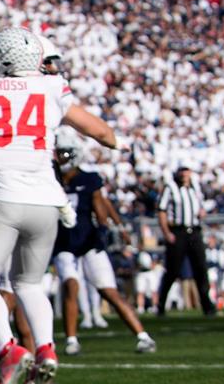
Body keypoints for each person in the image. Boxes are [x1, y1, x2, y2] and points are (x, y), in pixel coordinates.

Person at [0, 26, 119, 384]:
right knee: (29, 285)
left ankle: (8, 350)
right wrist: (114, 141)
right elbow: (102, 132)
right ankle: (47, 351)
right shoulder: (53, 89)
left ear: (7, 59)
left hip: (3, 197)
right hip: (47, 201)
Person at [51, 132, 156, 356]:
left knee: (109, 292)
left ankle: (142, 335)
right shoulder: (49, 179)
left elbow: (101, 207)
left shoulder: (89, 180)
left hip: (89, 242)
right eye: (59, 153)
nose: (61, 157)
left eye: (65, 153)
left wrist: (111, 227)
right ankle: (71, 339)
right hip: (63, 243)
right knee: (71, 286)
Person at [155, 166, 215, 316]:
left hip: (194, 231)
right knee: (173, 270)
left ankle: (207, 306)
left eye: (186, 170)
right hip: (177, 231)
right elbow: (161, 210)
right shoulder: (170, 187)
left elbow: (201, 206)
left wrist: (202, 212)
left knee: (200, 269)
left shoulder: (195, 186)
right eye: (181, 170)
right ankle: (161, 304)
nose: (184, 174)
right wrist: (166, 232)